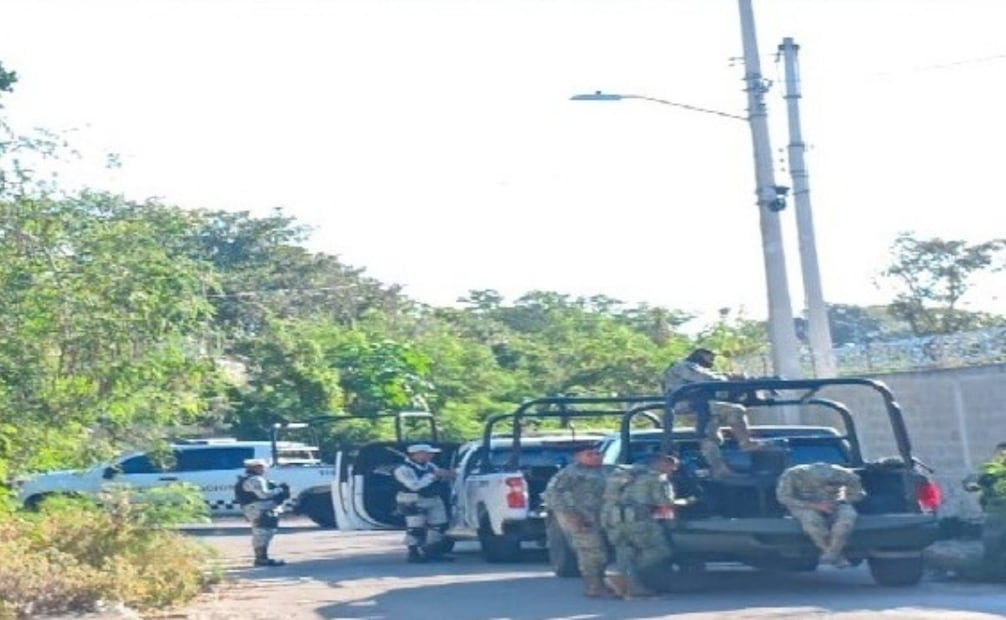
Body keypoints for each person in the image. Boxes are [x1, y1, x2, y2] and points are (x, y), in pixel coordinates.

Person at [662, 347, 769, 478]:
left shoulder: (694, 368)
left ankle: (719, 468)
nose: (712, 360)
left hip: (701, 406)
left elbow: (719, 390)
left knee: (710, 436)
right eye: (710, 357)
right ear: (701, 354)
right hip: (690, 405)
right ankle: (745, 443)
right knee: (735, 410)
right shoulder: (684, 366)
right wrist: (730, 377)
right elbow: (708, 379)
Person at [600, 453, 679, 599]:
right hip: (638, 519)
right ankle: (625, 577)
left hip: (613, 518)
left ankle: (630, 586)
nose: (672, 471)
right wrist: (686, 502)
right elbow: (664, 502)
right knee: (660, 550)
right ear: (662, 464)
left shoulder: (622, 474)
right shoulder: (657, 478)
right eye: (672, 467)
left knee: (624, 551)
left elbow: (607, 495)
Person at [542, 445, 617, 598]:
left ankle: (601, 583)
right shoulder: (568, 474)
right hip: (582, 518)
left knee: (603, 553)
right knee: (591, 553)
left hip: (605, 518)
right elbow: (553, 496)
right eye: (590, 454)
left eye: (598, 453)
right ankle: (593, 586)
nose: (596, 456)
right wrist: (571, 516)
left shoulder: (608, 471)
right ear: (578, 457)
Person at [775, 462, 865, 568]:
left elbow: (859, 493)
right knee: (812, 521)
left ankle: (832, 553)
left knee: (847, 519)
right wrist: (815, 506)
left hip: (835, 503)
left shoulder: (844, 474)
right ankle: (835, 555)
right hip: (804, 505)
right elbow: (784, 497)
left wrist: (842, 500)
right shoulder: (793, 474)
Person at [393, 443, 455, 563]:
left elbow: (440, 475)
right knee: (415, 528)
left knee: (439, 526)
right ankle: (413, 553)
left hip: (433, 498)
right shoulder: (402, 469)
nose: (431, 455)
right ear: (416, 454)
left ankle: (433, 551)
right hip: (411, 499)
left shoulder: (430, 466)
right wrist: (433, 476)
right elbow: (414, 486)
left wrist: (446, 475)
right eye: (427, 453)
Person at [234, 458, 290, 567]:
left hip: (255, 509)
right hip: (258, 509)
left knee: (264, 533)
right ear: (256, 468)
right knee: (262, 533)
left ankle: (261, 557)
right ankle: (261, 558)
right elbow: (263, 495)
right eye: (263, 467)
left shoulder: (250, 479)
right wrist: (280, 490)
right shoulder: (255, 479)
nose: (265, 469)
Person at [963, 441, 1006, 580]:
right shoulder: (991, 470)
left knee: (993, 544)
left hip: (997, 513)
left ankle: (993, 572)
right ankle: (993, 572)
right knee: (993, 545)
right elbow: (970, 484)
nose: (1001, 456)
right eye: (999, 453)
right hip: (995, 512)